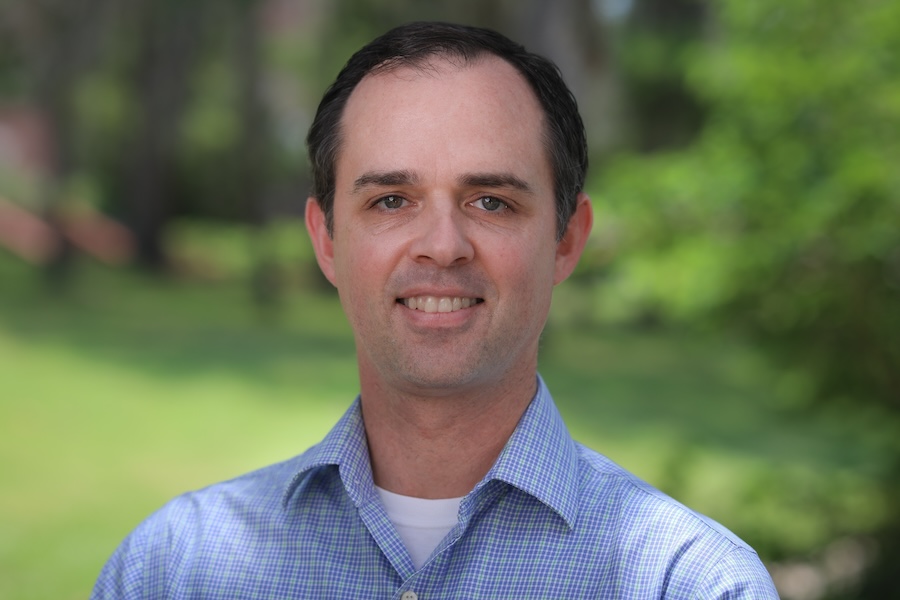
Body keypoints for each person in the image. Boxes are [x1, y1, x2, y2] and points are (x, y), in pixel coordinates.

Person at [92, 22, 779, 599]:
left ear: (567, 240)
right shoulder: (171, 571)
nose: (443, 247)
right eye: (391, 200)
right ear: (327, 240)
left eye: (491, 202)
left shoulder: (688, 583)